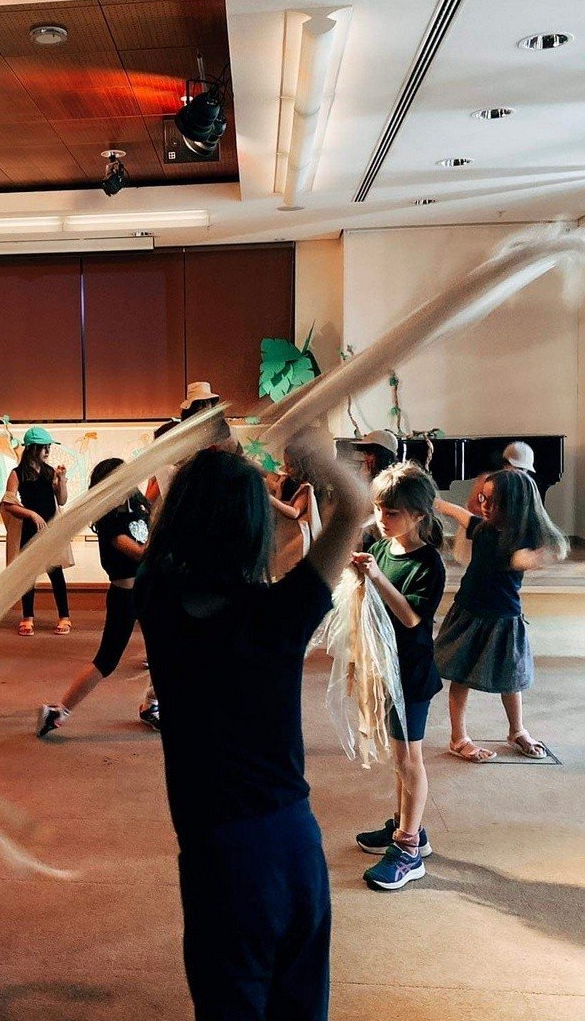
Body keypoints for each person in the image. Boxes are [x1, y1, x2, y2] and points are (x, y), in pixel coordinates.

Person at [134, 436, 368, 1021]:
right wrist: (312, 448)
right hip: (294, 841)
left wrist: (198, 466)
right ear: (256, 529)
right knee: (300, 1004)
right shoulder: (281, 612)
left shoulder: (157, 602)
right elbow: (355, 507)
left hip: (220, 854)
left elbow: (164, 535)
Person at [352, 463, 446, 891]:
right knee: (398, 757)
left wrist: (374, 576)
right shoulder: (383, 548)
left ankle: (409, 848)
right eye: (378, 509)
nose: (381, 519)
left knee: (409, 759)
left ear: (418, 515)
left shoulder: (428, 563)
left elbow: (409, 618)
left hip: (411, 671)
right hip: (385, 667)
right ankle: (407, 825)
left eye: (391, 513)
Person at [435, 470, 568, 762]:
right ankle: (458, 738)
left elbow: (525, 558)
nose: (484, 505)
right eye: (483, 498)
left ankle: (517, 730)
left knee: (511, 679)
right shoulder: (482, 529)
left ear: (515, 505)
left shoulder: (517, 543)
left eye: (493, 501)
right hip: (470, 613)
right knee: (461, 676)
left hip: (503, 619)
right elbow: (458, 513)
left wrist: (540, 556)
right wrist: (434, 501)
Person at [37, 459, 158, 736]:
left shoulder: (138, 505)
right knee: (107, 660)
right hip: (125, 597)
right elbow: (138, 553)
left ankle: (152, 705)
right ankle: (58, 711)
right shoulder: (109, 519)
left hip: (149, 592)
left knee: (165, 650)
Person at [1, 427, 72, 636]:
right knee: (28, 575)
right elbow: (8, 504)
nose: (47, 451)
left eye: (48, 447)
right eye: (43, 447)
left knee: (55, 572)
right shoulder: (17, 473)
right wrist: (31, 514)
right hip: (29, 529)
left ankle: (65, 616)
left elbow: (61, 500)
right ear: (32, 448)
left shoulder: (49, 472)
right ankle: (27, 617)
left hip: (49, 529)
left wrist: (62, 480)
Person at [268, 443, 321, 581]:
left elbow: (295, 512)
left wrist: (272, 500)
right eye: (286, 464)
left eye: (291, 465)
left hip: (296, 538)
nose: (287, 468)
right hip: (282, 534)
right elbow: (268, 476)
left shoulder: (305, 488)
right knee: (280, 569)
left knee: (293, 570)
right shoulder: (285, 481)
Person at [465, 440, 536, 516]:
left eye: (524, 470)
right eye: (518, 468)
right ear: (506, 464)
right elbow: (472, 507)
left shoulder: (524, 488)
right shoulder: (487, 481)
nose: (521, 473)